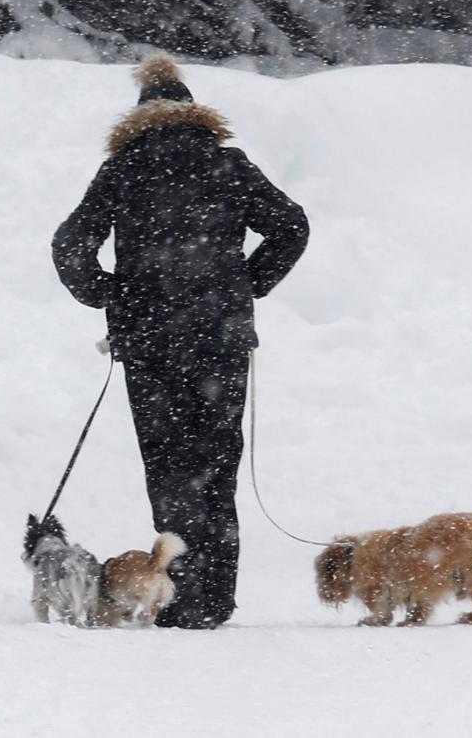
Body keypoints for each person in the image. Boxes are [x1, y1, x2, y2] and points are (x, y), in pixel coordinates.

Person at [52, 56, 309, 629]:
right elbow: (293, 227)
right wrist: (247, 283)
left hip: (150, 344)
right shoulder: (229, 165)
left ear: (137, 119)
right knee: (217, 468)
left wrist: (110, 296)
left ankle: (181, 597)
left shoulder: (122, 170)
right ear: (197, 116)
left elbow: (69, 245)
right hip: (219, 340)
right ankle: (216, 599)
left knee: (169, 470)